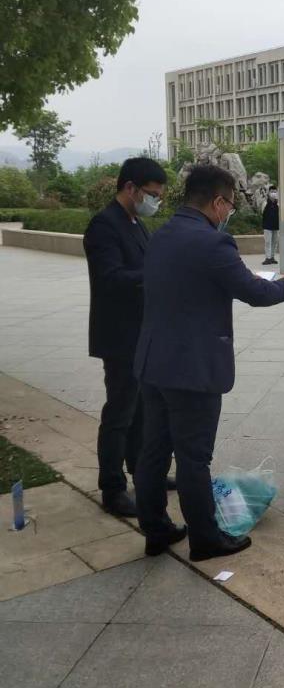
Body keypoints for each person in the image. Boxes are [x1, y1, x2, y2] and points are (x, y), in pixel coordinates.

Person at [134, 165, 284, 560]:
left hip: (153, 362)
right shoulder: (213, 242)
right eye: (230, 204)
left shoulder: (160, 235)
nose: (229, 211)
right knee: (194, 458)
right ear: (217, 202)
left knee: (154, 451)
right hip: (191, 369)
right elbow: (254, 292)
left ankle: (156, 530)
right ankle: (205, 539)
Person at [83, 157, 168, 518]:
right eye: (151, 194)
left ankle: (143, 472)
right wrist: (154, 274)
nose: (155, 202)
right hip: (119, 335)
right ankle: (112, 487)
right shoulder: (104, 226)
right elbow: (110, 278)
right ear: (130, 187)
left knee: (142, 410)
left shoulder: (135, 223)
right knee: (119, 411)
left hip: (143, 332)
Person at [262, 185, 279, 265]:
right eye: (272, 192)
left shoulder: (278, 203)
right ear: (269, 192)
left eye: (275, 192)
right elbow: (262, 212)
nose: (273, 193)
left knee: (275, 242)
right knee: (268, 242)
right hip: (267, 226)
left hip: (276, 226)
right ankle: (267, 258)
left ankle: (272, 257)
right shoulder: (265, 203)